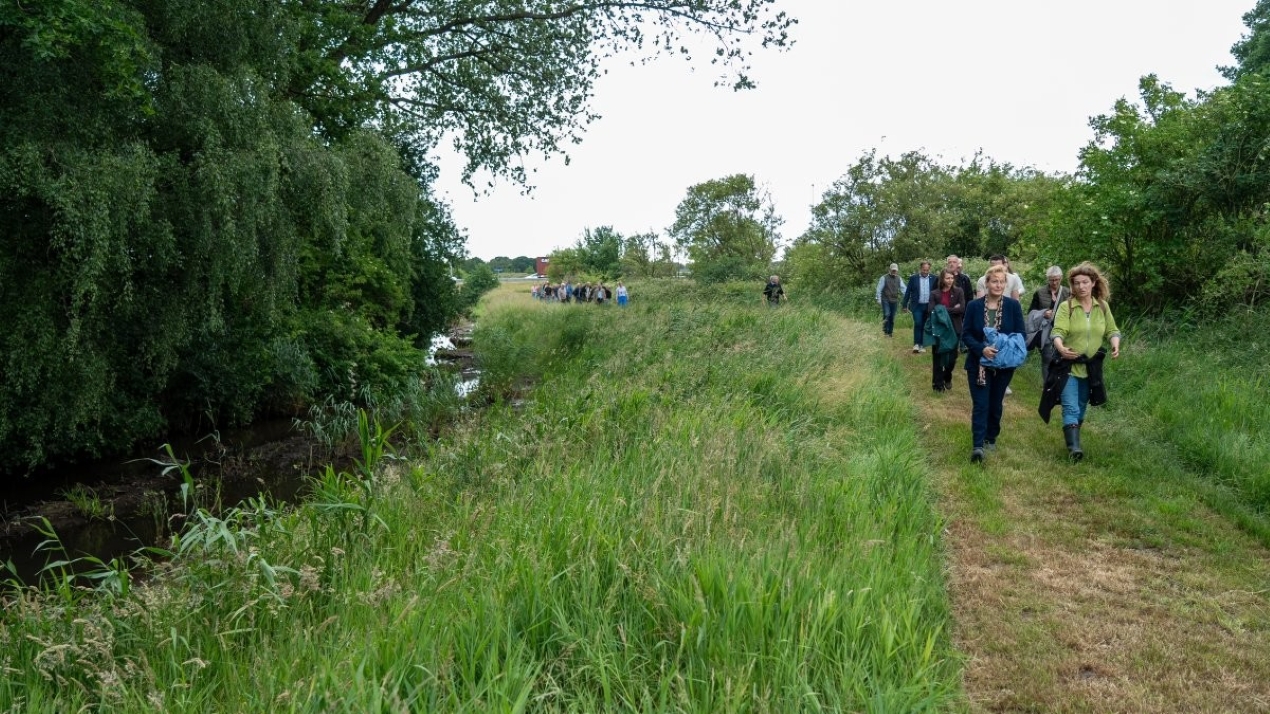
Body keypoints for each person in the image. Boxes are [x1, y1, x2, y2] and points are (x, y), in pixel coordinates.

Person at [1047, 262, 1122, 461]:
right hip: (1068, 366)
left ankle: (1074, 438)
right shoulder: (1067, 307)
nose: (1081, 286)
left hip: (1091, 368)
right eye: (1077, 283)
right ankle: (1074, 449)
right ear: (1072, 285)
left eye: (1085, 282)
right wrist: (1061, 347)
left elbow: (1112, 330)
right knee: (1070, 405)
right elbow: (1057, 331)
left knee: (1080, 405)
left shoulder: (1102, 307)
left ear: (1093, 283)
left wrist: (1115, 344)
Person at [962, 265, 1026, 463]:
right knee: (981, 404)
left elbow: (1021, 334)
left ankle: (991, 437)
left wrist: (1002, 346)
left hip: (1003, 365)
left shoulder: (1013, 306)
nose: (998, 285)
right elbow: (966, 334)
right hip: (978, 364)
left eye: (1002, 281)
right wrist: (982, 349)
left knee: (995, 404)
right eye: (994, 281)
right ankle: (978, 446)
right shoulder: (973, 306)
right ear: (986, 283)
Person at [1027, 266, 1070, 383]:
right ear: (1048, 279)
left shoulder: (1067, 293)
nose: (1054, 282)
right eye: (1052, 280)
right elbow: (1031, 312)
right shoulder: (1039, 293)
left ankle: (1059, 385)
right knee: (1047, 358)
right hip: (1045, 332)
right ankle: (1048, 386)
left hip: (1063, 331)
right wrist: (1043, 313)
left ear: (1061, 278)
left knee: (1061, 359)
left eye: (1057, 279)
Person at [927, 267, 966, 391]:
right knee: (938, 357)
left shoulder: (959, 291)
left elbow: (962, 309)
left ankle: (947, 375)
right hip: (939, 329)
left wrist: (941, 310)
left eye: (952, 278)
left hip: (954, 328)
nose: (950, 280)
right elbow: (931, 310)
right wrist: (952, 309)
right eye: (947, 278)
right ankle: (937, 385)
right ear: (942, 279)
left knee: (952, 358)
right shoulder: (934, 293)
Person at [902, 261, 938, 353]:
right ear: (920, 269)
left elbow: (937, 292)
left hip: (928, 306)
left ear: (929, 269)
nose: (925, 272)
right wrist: (904, 305)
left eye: (927, 270)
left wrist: (937, 305)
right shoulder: (913, 278)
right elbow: (908, 292)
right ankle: (916, 344)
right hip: (917, 305)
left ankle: (921, 344)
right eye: (923, 270)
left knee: (924, 325)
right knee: (918, 323)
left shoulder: (934, 278)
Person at [875, 263, 904, 337]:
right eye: (893, 270)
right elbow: (879, 289)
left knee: (892, 317)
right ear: (890, 270)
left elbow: (903, 289)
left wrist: (907, 296)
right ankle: (885, 331)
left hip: (894, 300)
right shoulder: (884, 278)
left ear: (897, 270)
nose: (894, 271)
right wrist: (878, 299)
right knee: (887, 314)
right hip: (885, 299)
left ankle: (890, 333)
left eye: (895, 270)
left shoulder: (899, 278)